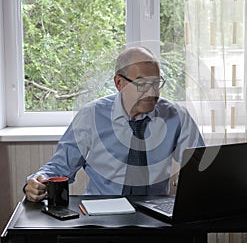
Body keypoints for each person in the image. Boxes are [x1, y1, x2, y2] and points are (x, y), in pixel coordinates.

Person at [24, 46, 204, 202]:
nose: (152, 92)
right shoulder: (91, 116)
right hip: (102, 214)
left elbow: (201, 166)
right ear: (119, 83)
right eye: (143, 84)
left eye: (156, 83)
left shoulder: (176, 116)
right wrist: (36, 182)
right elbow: (60, 167)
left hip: (155, 214)